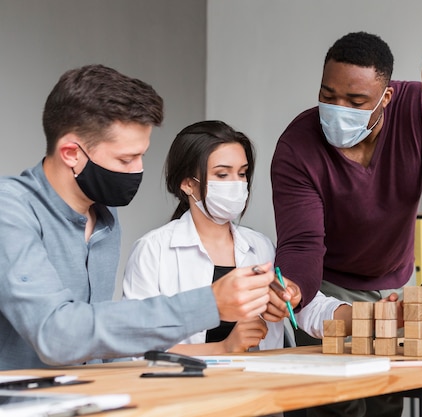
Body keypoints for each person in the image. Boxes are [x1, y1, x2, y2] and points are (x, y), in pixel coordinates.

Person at [0, 64, 277, 371]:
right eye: (126, 159)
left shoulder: (105, 217)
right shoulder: (10, 210)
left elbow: (104, 339)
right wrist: (209, 303)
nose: (138, 170)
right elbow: (57, 335)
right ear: (70, 153)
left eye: (141, 155)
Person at [271, 32, 422, 417]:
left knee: (384, 402)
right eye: (328, 95)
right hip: (327, 292)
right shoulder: (297, 147)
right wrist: (293, 289)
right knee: (333, 404)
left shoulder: (418, 111)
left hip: (394, 288)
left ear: (385, 97)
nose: (338, 108)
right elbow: (303, 244)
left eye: (356, 101)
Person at [123, 120, 351, 355]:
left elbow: (311, 309)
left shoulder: (260, 247)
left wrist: (365, 316)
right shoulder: (153, 250)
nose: (237, 184)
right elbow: (135, 346)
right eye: (222, 174)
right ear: (188, 183)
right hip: (188, 388)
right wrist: (224, 348)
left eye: (242, 174)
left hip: (258, 385)